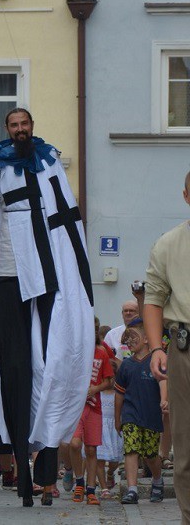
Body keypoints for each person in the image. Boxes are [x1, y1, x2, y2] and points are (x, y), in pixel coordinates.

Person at [0, 108, 95, 507]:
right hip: (8, 272)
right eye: (14, 126)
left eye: (25, 125)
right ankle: (23, 472)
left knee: (48, 366)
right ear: (7, 130)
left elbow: (67, 216)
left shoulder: (49, 161)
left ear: (32, 128)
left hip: (46, 273)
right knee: (15, 373)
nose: (20, 131)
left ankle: (47, 474)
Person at [147, 170, 190, 521]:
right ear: (186, 196)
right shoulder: (168, 244)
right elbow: (153, 299)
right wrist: (157, 347)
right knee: (185, 446)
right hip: (184, 350)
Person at [115, 319, 168, 504]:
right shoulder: (126, 366)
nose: (129, 341)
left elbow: (163, 381)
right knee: (131, 449)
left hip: (151, 416)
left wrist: (163, 400)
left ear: (147, 339)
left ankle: (157, 480)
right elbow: (119, 395)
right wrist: (117, 418)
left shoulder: (156, 362)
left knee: (150, 455)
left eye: (133, 337)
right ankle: (132, 490)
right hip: (130, 415)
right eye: (127, 338)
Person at [69, 330, 114, 506]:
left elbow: (109, 380)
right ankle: (79, 480)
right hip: (75, 407)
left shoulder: (100, 353)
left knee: (91, 449)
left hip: (94, 407)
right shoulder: (72, 353)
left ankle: (90, 489)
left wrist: (95, 389)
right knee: (74, 443)